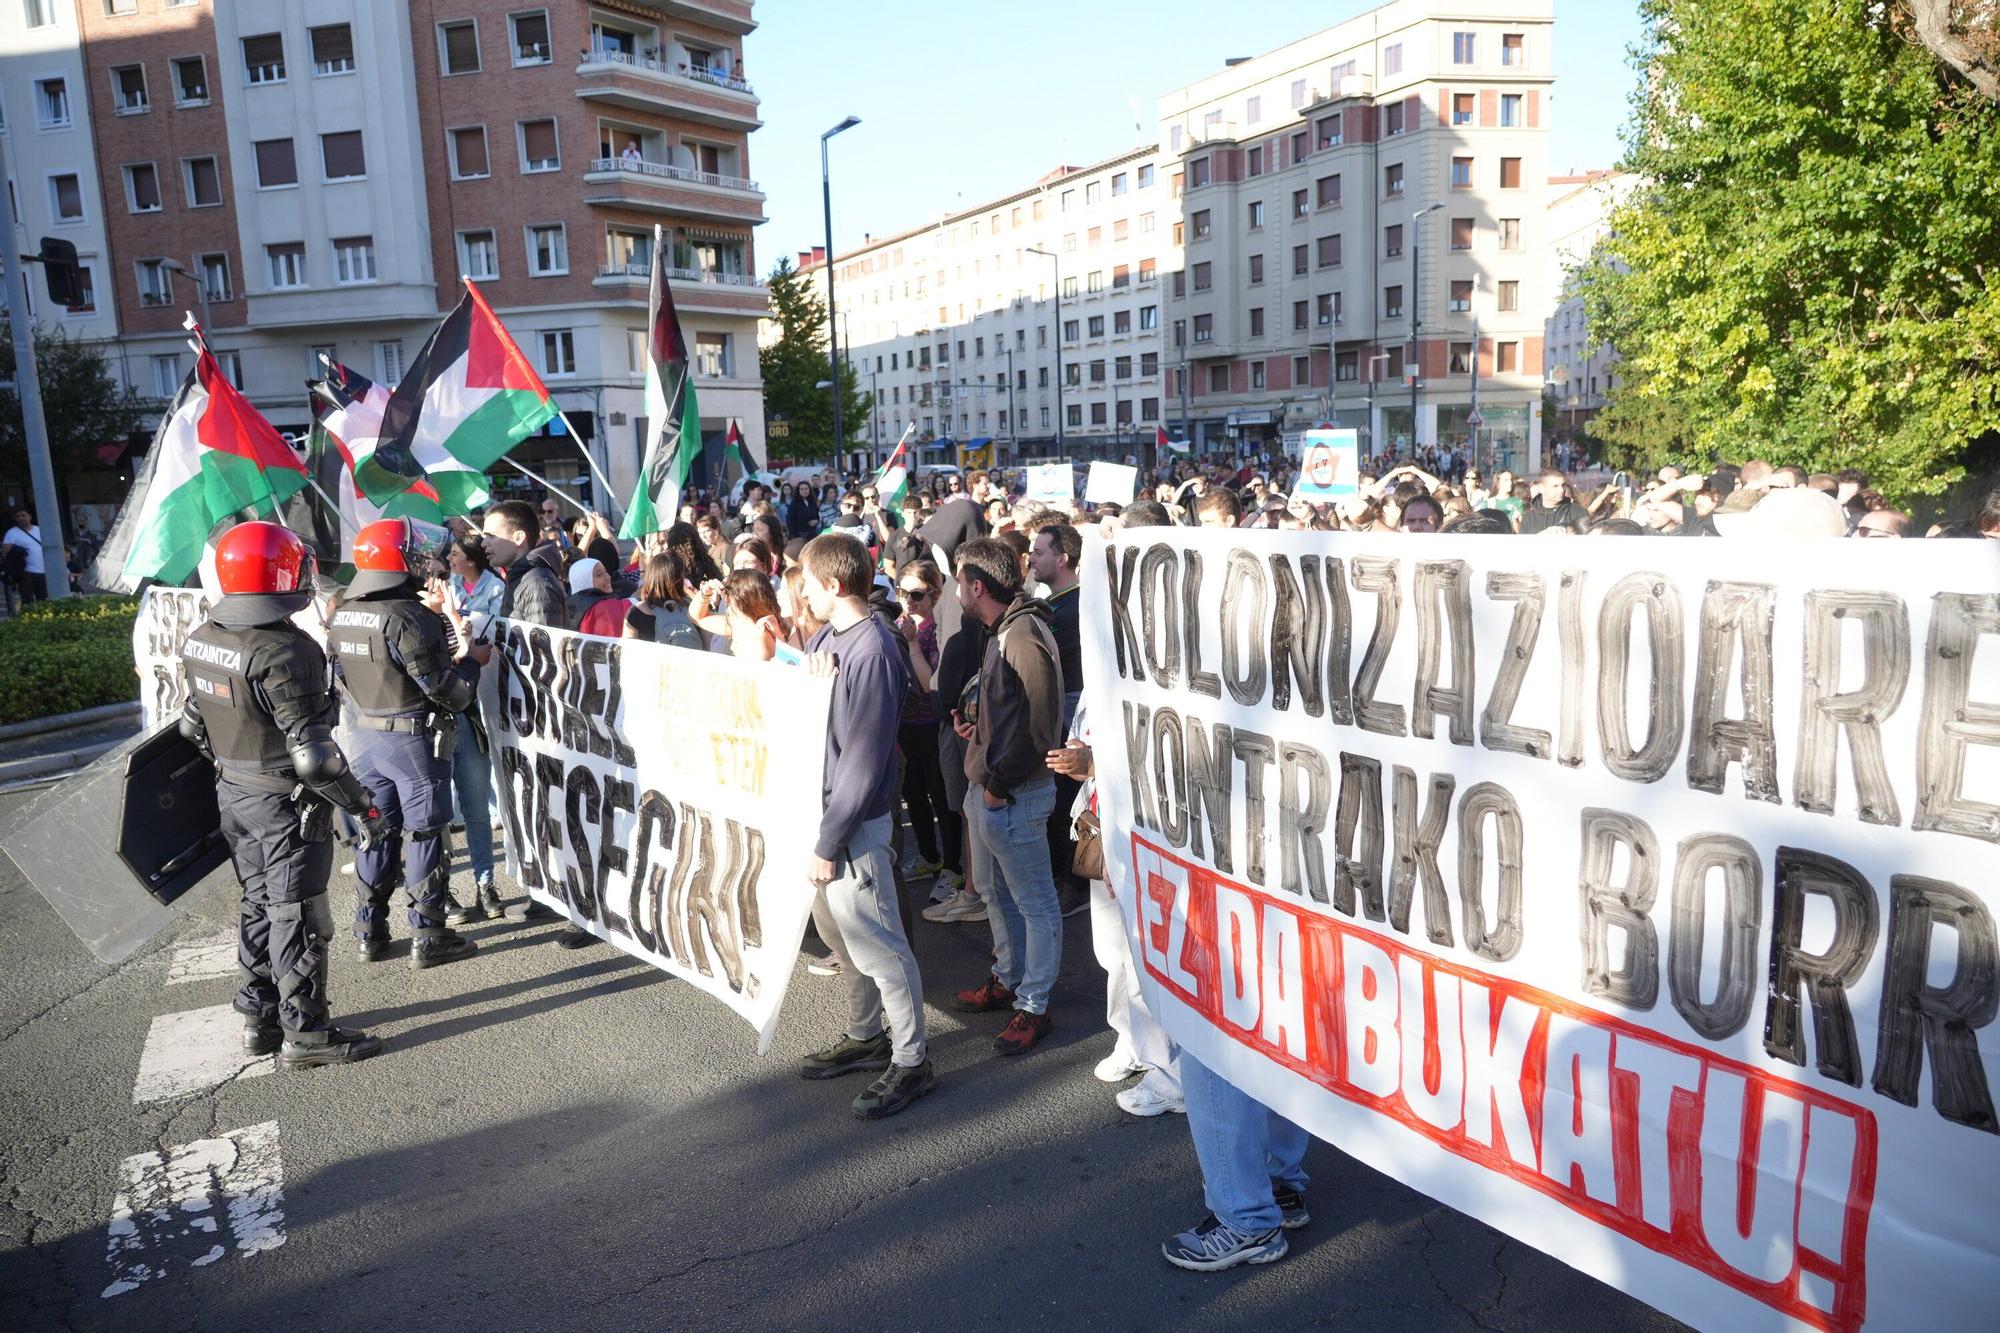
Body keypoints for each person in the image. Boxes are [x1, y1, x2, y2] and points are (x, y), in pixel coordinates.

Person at [179, 521, 388, 1068]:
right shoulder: (285, 650)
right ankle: (308, 1035)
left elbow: (191, 728)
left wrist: (238, 772)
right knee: (298, 911)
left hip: (234, 792)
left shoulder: (203, 637)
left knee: (257, 901)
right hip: (285, 805)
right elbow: (314, 758)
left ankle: (259, 1016)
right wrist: (361, 805)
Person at [794, 532, 935, 1118]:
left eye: (806, 582)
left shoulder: (874, 649)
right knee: (842, 937)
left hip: (854, 826)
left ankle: (911, 1060)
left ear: (832, 584)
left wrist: (830, 840)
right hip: (829, 819)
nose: (801, 592)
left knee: (881, 947)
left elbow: (864, 756)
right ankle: (866, 1034)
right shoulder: (833, 635)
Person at [330, 519, 483, 971]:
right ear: (397, 560)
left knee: (375, 831)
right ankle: (429, 934)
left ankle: (370, 933)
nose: (426, 563)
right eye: (415, 555)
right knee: (424, 833)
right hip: (413, 742)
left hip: (365, 742)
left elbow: (339, 678)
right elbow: (447, 691)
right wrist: (471, 662)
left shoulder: (343, 612)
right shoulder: (411, 616)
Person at [950, 537, 1064, 1055]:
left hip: (1013, 795)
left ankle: (1034, 1006)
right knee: (997, 894)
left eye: (958, 581)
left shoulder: (1021, 634)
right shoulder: (1002, 630)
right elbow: (1011, 710)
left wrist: (997, 785)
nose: (956, 590)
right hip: (995, 789)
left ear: (977, 586)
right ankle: (1009, 978)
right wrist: (977, 726)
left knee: (1036, 904)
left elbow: (1042, 727)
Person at [478, 499, 568, 926]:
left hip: (539, 717)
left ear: (518, 537)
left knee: (553, 811)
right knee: (535, 808)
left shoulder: (535, 582)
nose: (483, 542)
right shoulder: (518, 578)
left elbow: (544, 656)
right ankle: (548, 893)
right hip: (523, 714)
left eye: (490, 534)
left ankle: (571, 904)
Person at [443, 536, 505, 923]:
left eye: (454, 555)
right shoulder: (418, 614)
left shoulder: (493, 588)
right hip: (433, 724)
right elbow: (436, 669)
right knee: (435, 817)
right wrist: (447, 618)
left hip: (468, 714)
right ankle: (442, 890)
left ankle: (486, 884)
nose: (446, 564)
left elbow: (483, 648)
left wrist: (456, 624)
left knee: (477, 808)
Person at [892, 560, 957, 887]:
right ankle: (929, 857)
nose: (908, 600)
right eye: (902, 592)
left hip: (932, 725)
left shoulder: (936, 629)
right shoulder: (898, 623)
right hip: (905, 724)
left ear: (934, 594)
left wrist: (913, 643)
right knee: (914, 796)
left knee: (941, 798)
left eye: (916, 594)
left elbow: (931, 682)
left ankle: (952, 866)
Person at [624, 551, 706, 648]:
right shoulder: (695, 609)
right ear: (680, 578)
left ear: (651, 577)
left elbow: (628, 651)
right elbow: (709, 646)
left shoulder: (636, 612)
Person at [1519, 468, 1588, 535]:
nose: (1561, 489)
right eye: (1555, 486)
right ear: (1541, 488)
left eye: (1563, 485)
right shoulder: (1529, 517)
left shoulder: (1578, 512)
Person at [4, 508, 48, 604]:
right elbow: (6, 553)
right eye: (18, 516)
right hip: (25, 572)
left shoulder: (39, 530)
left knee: (44, 599)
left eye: (23, 515)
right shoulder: (12, 533)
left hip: (43, 571)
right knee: (27, 600)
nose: (21, 518)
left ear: (30, 517)